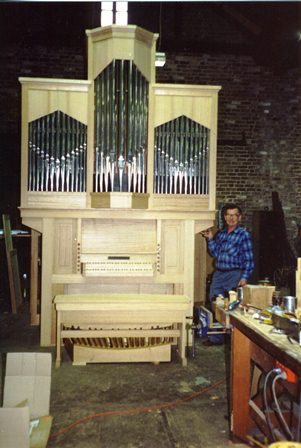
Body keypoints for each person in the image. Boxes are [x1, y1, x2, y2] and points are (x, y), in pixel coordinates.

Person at [202, 203, 254, 302]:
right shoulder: (221, 234)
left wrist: (244, 277)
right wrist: (210, 238)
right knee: (215, 302)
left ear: (239, 217)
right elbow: (215, 253)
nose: (231, 218)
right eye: (229, 215)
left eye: (235, 215)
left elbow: (249, 260)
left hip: (234, 275)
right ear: (225, 217)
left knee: (232, 303)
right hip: (218, 275)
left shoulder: (243, 235)